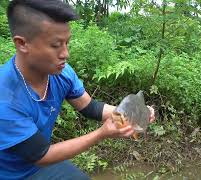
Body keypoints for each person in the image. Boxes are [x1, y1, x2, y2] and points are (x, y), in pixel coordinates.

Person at [0, 0, 155, 179]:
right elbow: (41, 155)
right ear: (22, 44)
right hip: (12, 173)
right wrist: (101, 134)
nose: (66, 54)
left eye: (67, 43)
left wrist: (134, 113)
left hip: (39, 162)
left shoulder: (60, 72)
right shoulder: (5, 98)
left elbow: (90, 107)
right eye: (56, 45)